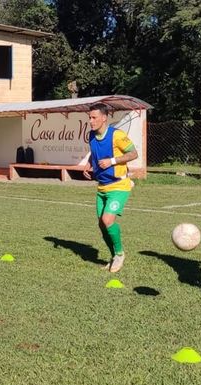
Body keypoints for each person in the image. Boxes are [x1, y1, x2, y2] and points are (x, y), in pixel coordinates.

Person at [82, 102, 139, 273]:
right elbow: (94, 153)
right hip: (102, 187)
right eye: (89, 117)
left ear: (104, 118)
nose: (91, 121)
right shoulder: (91, 136)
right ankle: (114, 256)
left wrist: (112, 161)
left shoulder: (117, 135)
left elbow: (133, 153)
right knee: (102, 224)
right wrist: (88, 164)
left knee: (108, 220)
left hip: (119, 185)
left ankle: (120, 254)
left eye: (94, 117)